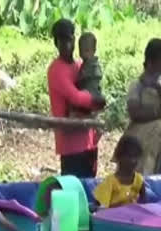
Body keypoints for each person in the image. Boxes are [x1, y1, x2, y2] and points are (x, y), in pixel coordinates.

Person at [47, 19, 105, 178]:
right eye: (61, 41)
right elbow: (77, 98)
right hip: (70, 144)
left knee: (88, 189)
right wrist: (97, 100)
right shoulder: (56, 70)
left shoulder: (80, 66)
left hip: (88, 139)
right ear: (56, 43)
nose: (66, 45)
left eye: (69, 39)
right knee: (73, 190)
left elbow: (91, 90)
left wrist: (96, 101)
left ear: (74, 40)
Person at [125, 38, 161, 175]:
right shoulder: (137, 86)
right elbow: (134, 112)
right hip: (141, 141)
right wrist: (160, 114)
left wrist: (160, 89)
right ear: (151, 62)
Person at [93, 135, 146, 209]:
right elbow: (99, 207)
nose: (134, 161)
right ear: (119, 157)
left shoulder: (139, 180)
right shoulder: (110, 182)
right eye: (130, 156)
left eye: (136, 156)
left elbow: (144, 205)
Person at [71, 32, 104, 116]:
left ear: (94, 50)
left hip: (92, 93)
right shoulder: (84, 64)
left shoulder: (93, 65)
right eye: (81, 50)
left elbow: (96, 76)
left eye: (87, 50)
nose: (84, 54)